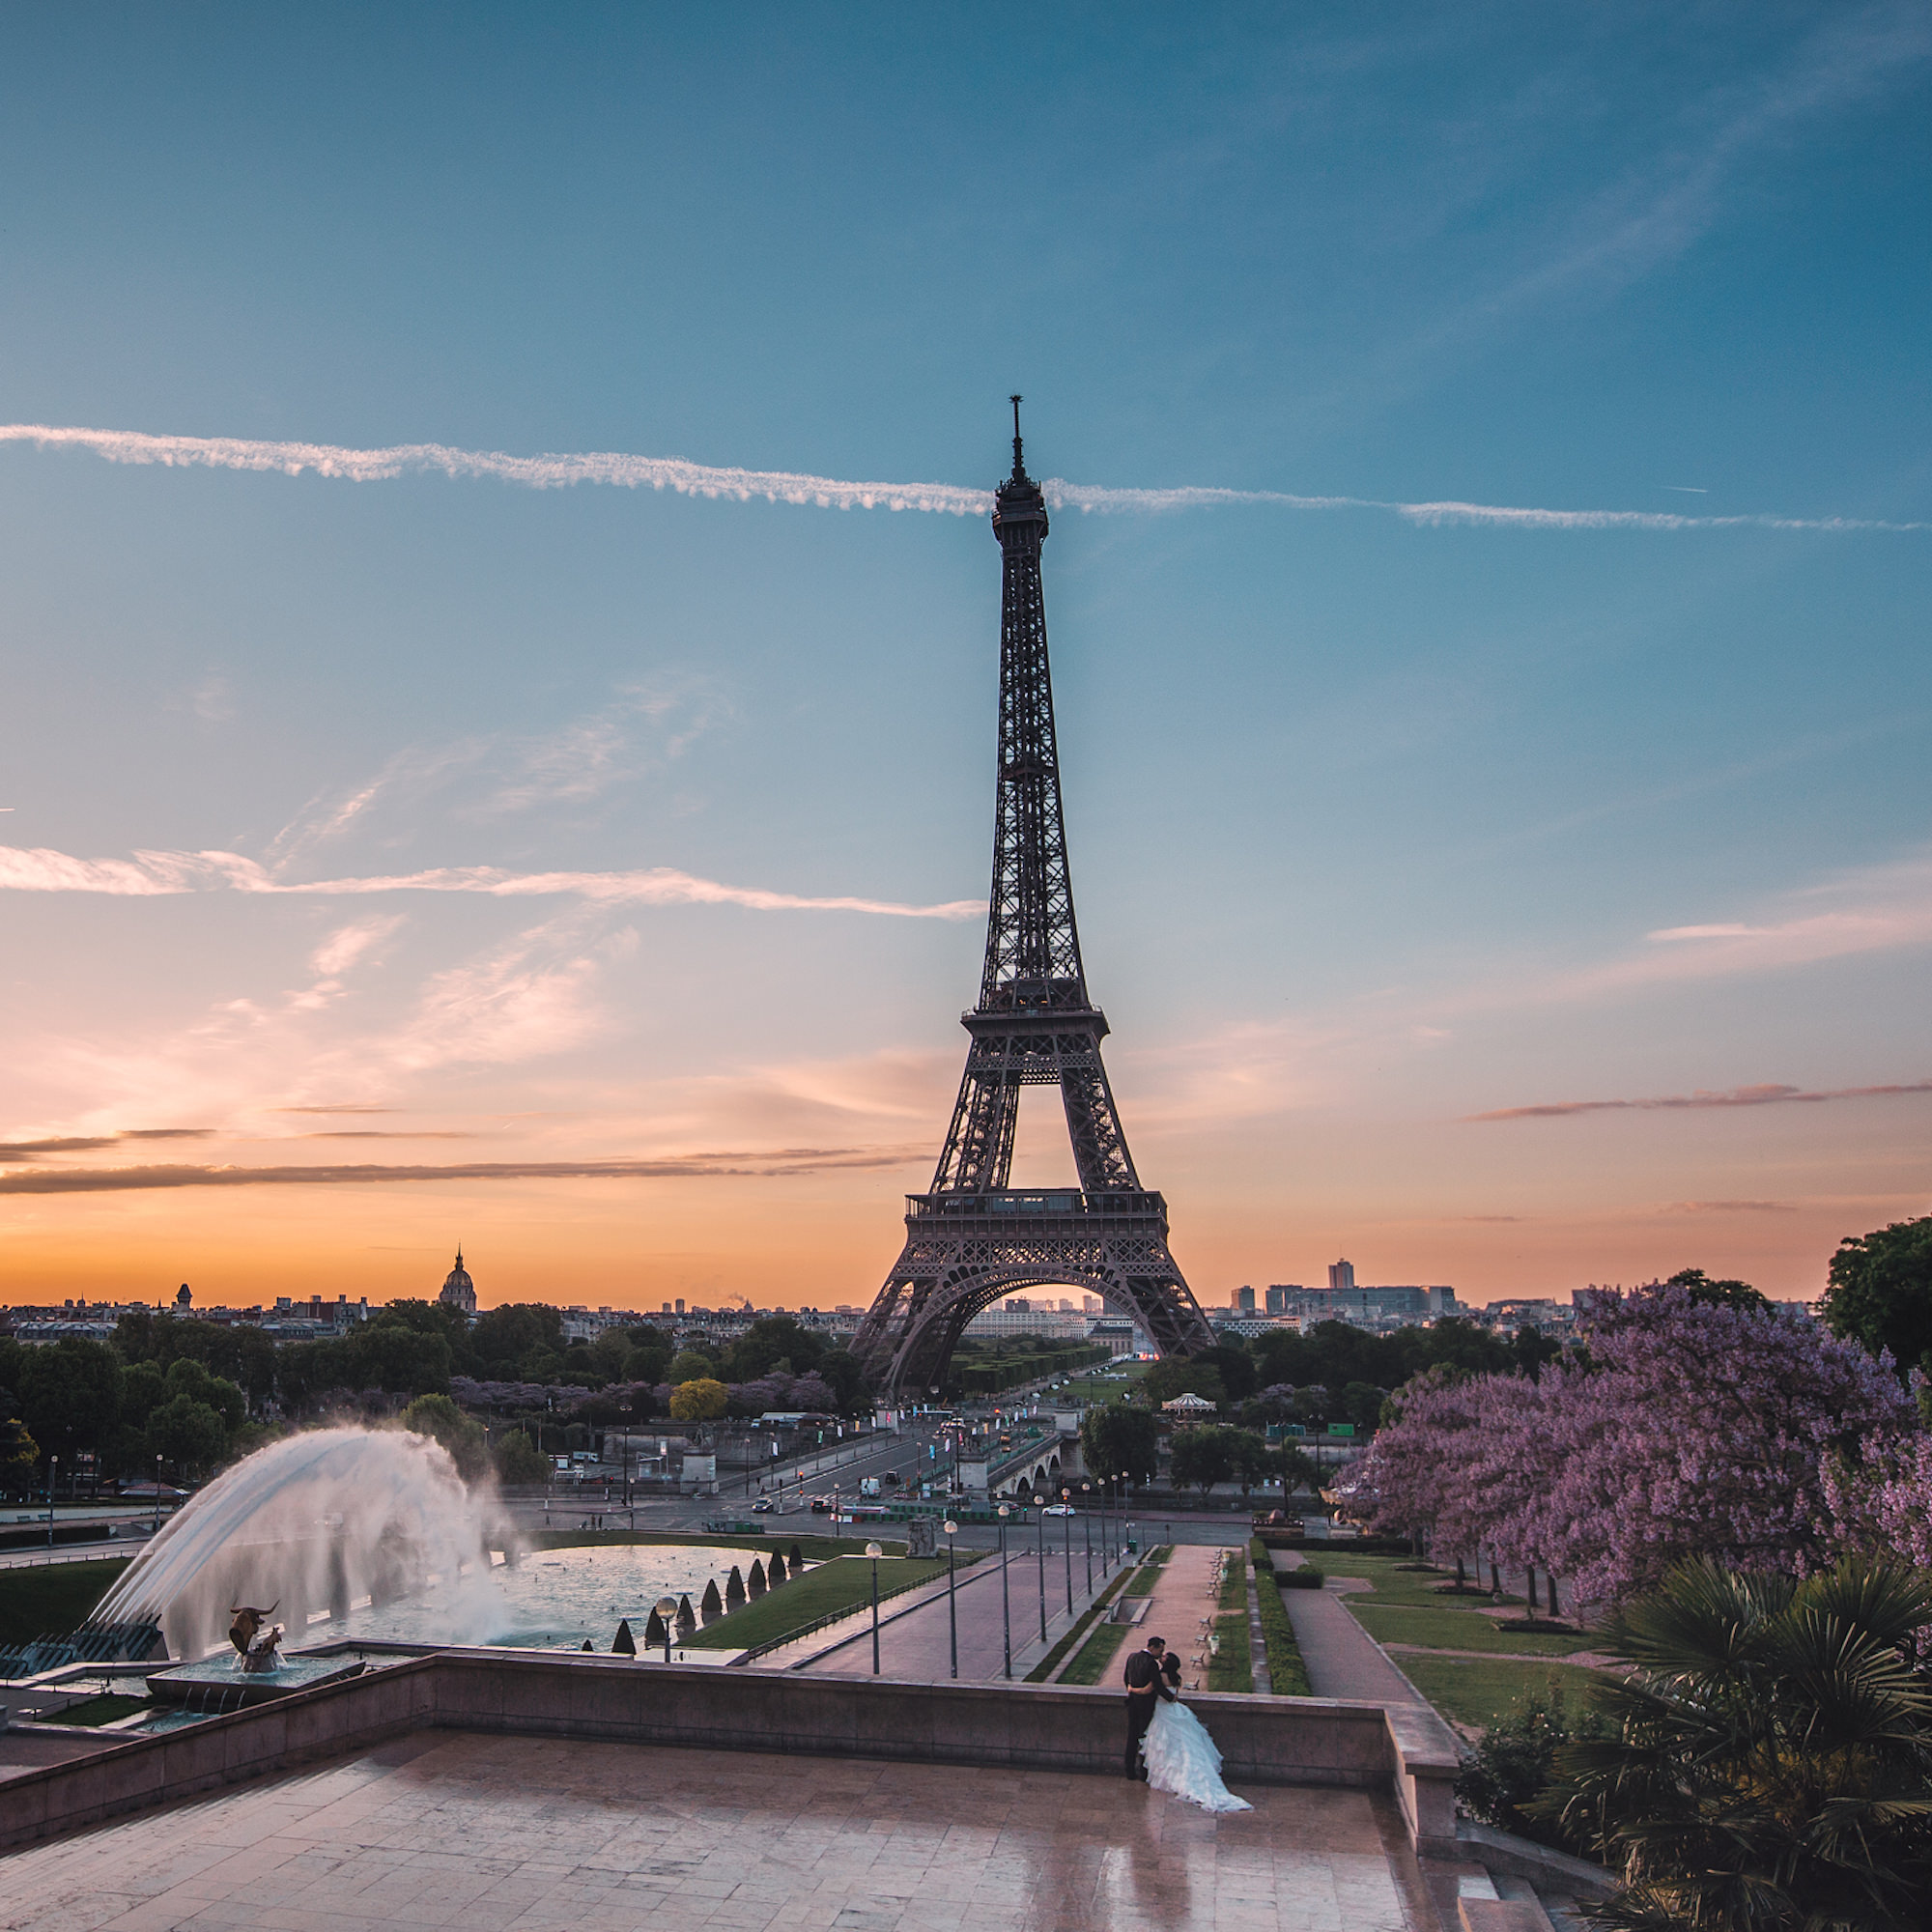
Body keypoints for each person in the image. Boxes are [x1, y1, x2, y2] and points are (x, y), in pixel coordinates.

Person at [1143, 1650, 1253, 1812]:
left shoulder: (1160, 1676)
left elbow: (1152, 1690)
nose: (1163, 1656)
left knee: (1165, 1745)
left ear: (1166, 1663)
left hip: (1163, 1712)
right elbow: (1174, 1696)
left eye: (1165, 1656)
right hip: (1175, 1710)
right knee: (1186, 1744)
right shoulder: (1176, 1677)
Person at [1122, 1635, 1175, 1778]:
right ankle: (1143, 1772)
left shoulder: (1132, 1657)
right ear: (1152, 1647)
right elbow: (1157, 1685)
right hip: (1145, 1705)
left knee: (1132, 1737)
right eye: (1160, 1650)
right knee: (1145, 1738)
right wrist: (1171, 1698)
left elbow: (1126, 1678)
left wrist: (1133, 1690)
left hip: (1132, 1702)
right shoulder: (1152, 1664)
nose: (1160, 1654)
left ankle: (1129, 1771)